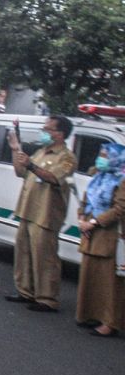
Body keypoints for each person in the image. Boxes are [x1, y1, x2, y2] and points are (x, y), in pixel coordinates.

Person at [4, 115, 77, 313]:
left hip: (46, 214)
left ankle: (47, 298)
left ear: (60, 134)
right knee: (24, 253)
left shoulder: (66, 157)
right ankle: (25, 291)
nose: (43, 131)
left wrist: (31, 165)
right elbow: (21, 172)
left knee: (45, 257)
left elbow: (54, 178)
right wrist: (15, 148)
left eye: (48, 129)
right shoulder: (40, 152)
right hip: (28, 210)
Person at [75, 143, 125, 337]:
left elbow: (120, 209)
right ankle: (91, 314)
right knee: (91, 276)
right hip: (90, 232)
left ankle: (109, 323)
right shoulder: (98, 177)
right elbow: (86, 200)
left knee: (110, 282)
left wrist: (94, 223)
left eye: (105, 155)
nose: (101, 158)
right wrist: (81, 219)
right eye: (100, 154)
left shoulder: (121, 181)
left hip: (108, 235)